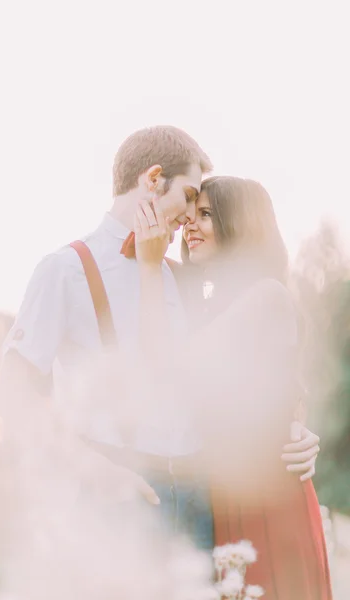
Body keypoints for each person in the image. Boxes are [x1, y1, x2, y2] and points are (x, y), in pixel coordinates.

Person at [0, 126, 320, 554]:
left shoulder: (184, 277)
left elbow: (241, 372)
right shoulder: (65, 269)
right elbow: (13, 394)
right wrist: (95, 471)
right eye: (188, 196)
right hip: (116, 493)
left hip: (203, 497)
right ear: (152, 180)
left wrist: (295, 427)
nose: (190, 216)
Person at [134, 175, 332, 598]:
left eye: (206, 214)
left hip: (267, 500)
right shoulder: (212, 307)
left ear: (240, 222)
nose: (191, 224)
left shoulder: (266, 295)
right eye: (190, 214)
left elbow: (166, 368)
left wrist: (149, 266)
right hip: (229, 497)